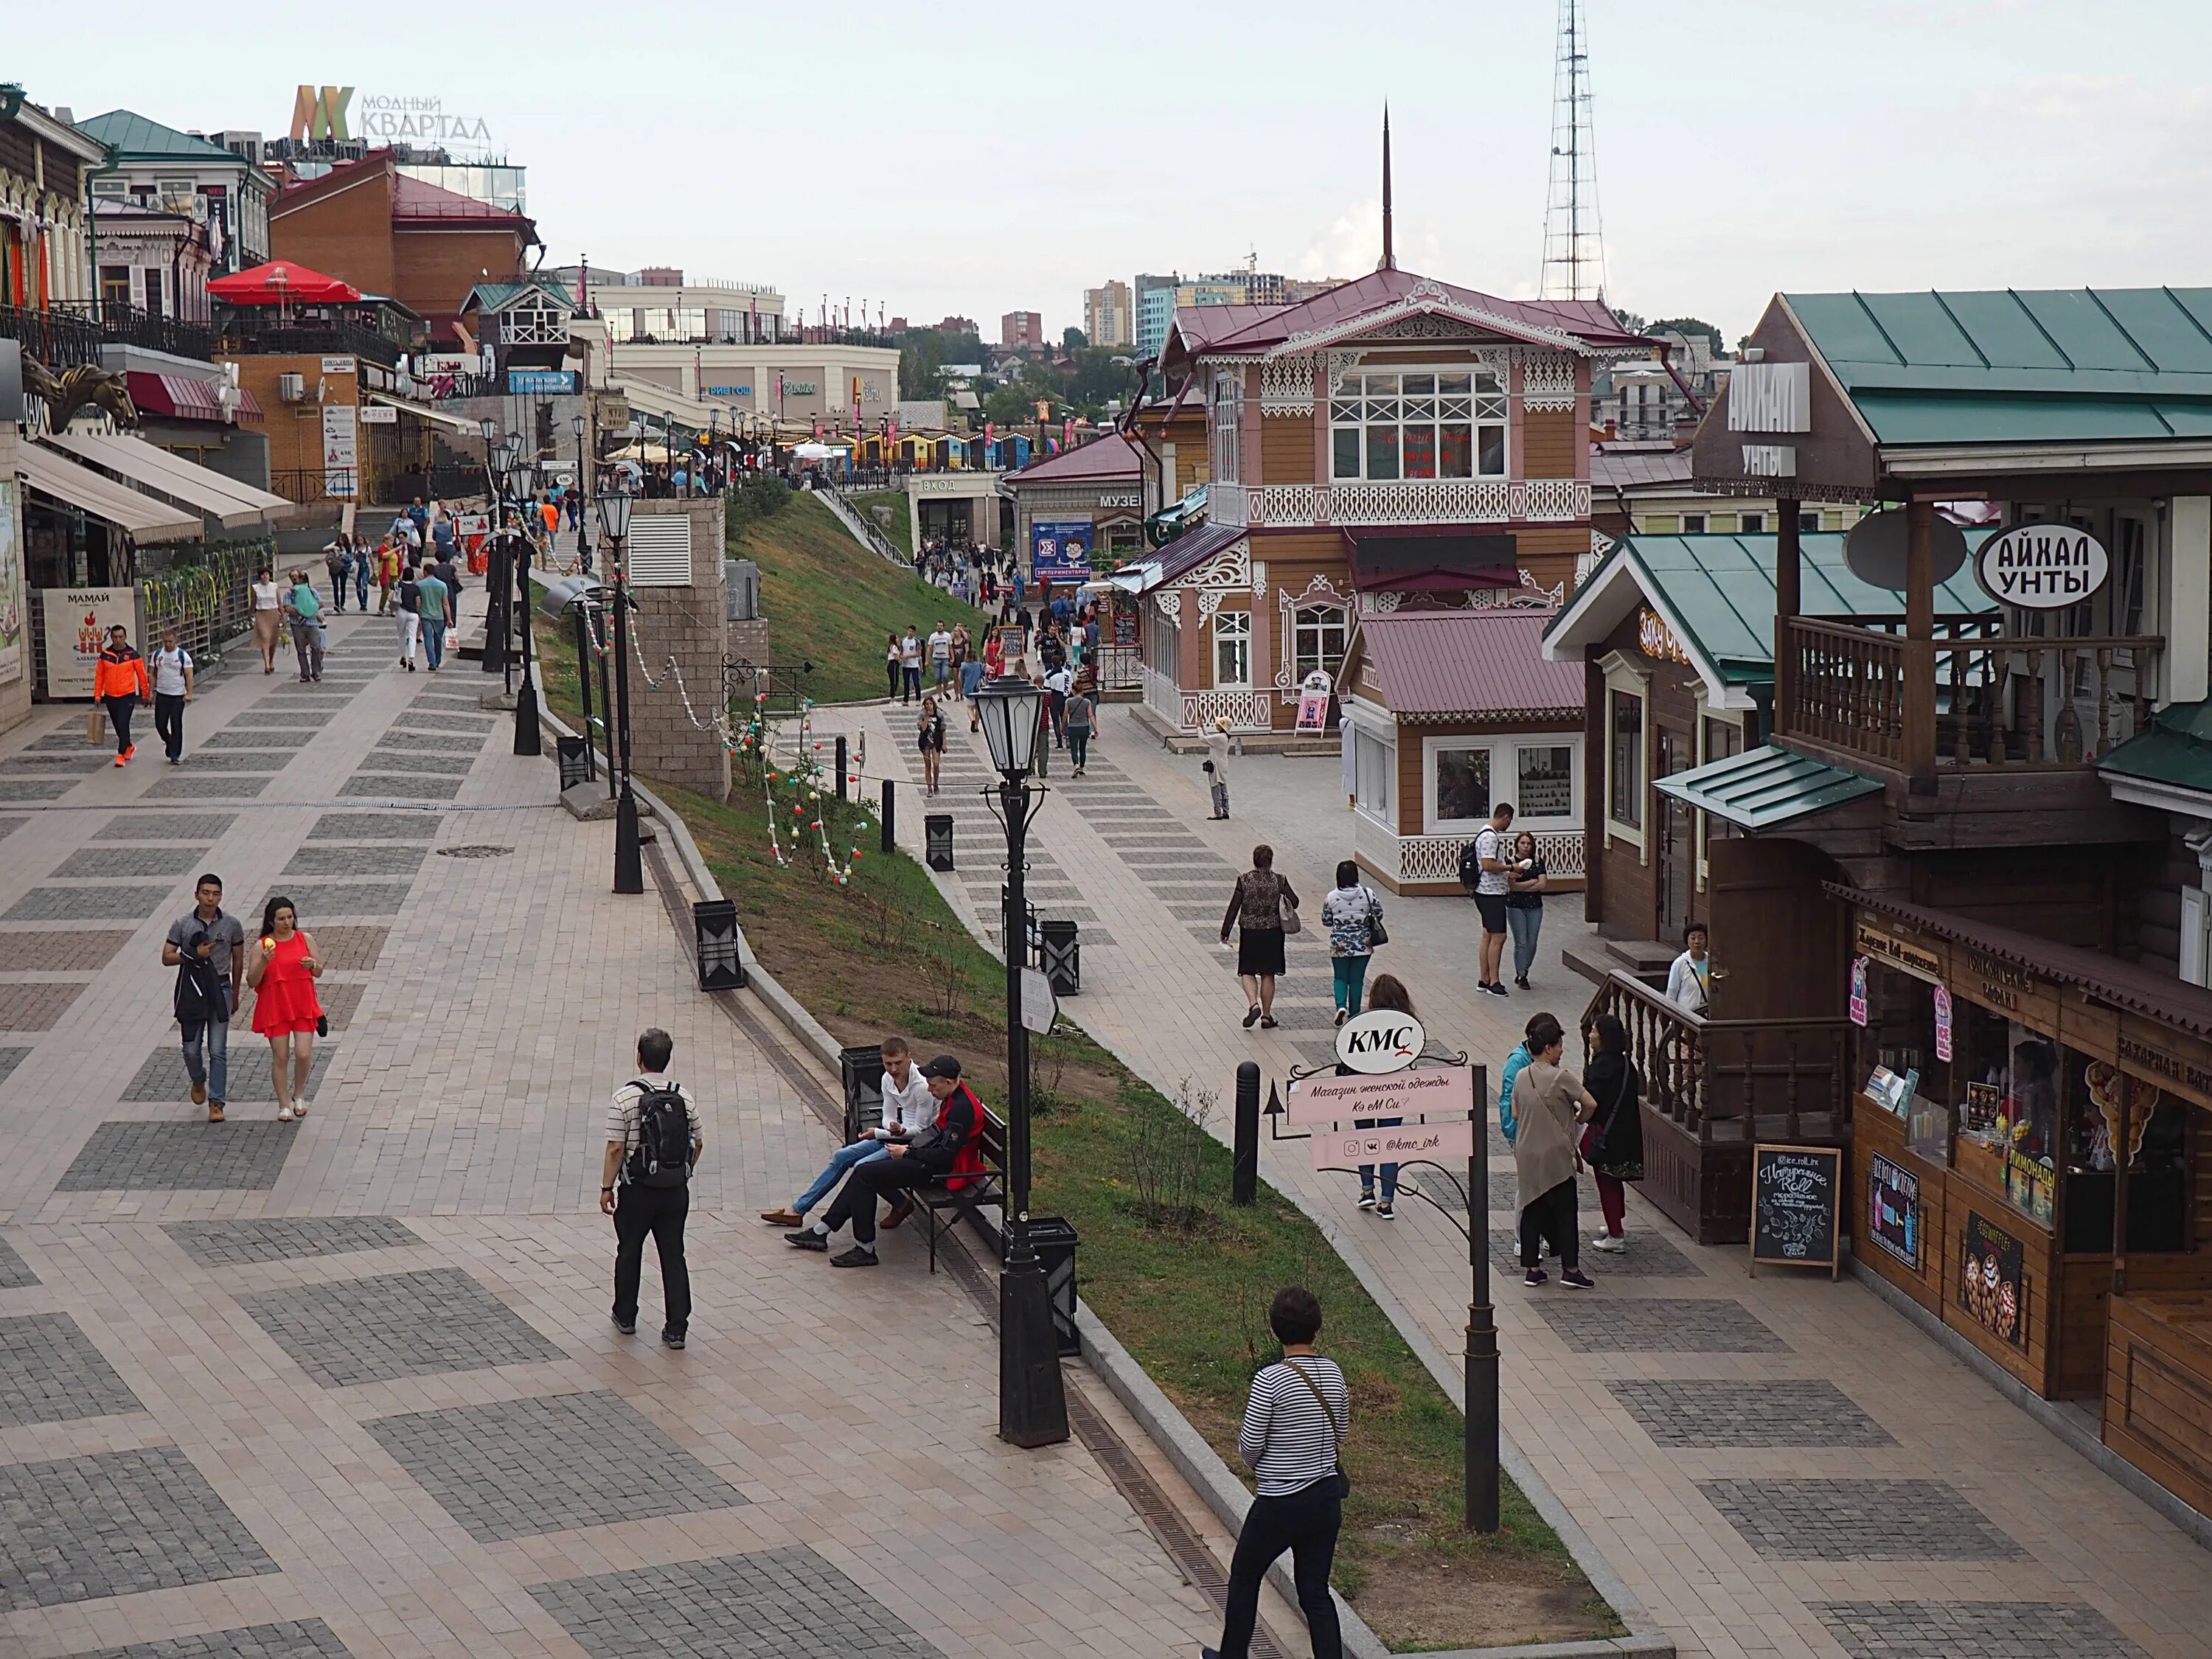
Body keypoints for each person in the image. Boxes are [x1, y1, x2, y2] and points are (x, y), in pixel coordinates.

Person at [1204, 1284, 1348, 1659]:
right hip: (1326, 1499)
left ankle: (1232, 1656)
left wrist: (1263, 1468)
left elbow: (1250, 1445)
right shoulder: (1333, 1373)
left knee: (1246, 1576)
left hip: (1280, 1503)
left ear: (1275, 1331)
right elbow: (1342, 1432)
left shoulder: (1269, 1379)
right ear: (1317, 1328)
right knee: (1315, 1591)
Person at [787, 1053, 984, 1267]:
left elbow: (946, 1156)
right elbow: (936, 1135)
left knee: (865, 1173)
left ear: (948, 1082)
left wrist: (907, 1153)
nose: (930, 1089)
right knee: (864, 1173)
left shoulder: (961, 1109)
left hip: (943, 1170)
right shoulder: (953, 1096)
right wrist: (910, 1148)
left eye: (933, 1086)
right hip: (928, 1157)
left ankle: (861, 1247)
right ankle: (824, 1231)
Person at [599, 1026, 702, 1348]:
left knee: (629, 1250)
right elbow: (699, 1142)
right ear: (667, 1060)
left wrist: (607, 1187)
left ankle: (626, 1315)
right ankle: (676, 1328)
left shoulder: (625, 1097)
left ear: (639, 1056)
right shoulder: (683, 1096)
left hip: (637, 1190)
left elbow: (616, 1148)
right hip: (674, 1192)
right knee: (674, 1254)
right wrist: (683, 1173)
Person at [759, 1037, 932, 1228]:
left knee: (862, 1168)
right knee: (841, 1156)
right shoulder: (887, 1079)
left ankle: (895, 1205)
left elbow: (920, 1131)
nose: (893, 1069)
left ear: (909, 1057)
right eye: (888, 1064)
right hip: (894, 1136)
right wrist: (891, 1126)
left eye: (898, 1063)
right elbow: (887, 1115)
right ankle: (798, 1210)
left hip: (912, 1144)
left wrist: (882, 1133)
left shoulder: (922, 1087)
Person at [1512, 1012, 1598, 1289]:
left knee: (1531, 1207)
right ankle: (1570, 1269)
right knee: (1565, 1210)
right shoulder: (1562, 1077)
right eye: (1559, 1045)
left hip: (1527, 1152)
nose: (1562, 1050)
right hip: (1556, 1154)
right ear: (1548, 1048)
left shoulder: (1521, 1075)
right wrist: (1576, 1121)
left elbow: (1515, 1113)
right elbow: (1591, 1104)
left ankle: (1532, 1269)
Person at [163, 873, 245, 1123]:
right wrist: (193, 954)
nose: (211, 898)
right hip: (192, 989)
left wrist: (236, 992)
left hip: (220, 987)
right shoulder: (183, 924)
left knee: (218, 1049)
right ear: (196, 894)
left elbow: (238, 958)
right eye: (206, 893)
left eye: (216, 894)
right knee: (190, 1048)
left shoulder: (231, 924)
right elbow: (167, 956)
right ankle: (198, 1079)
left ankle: (217, 1102)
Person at [246, 894, 324, 1124]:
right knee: (281, 1056)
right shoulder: (262, 946)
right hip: (276, 1005)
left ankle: (299, 1094)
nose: (286, 922)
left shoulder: (304, 939)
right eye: (281, 918)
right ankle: (283, 1104)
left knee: (303, 1053)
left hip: (302, 1002)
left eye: (290, 917)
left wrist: (313, 964)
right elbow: (252, 981)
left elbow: (319, 971)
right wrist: (264, 961)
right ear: (271, 921)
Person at [1582, 1012, 1645, 1253]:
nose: (1590, 1036)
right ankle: (1614, 1223)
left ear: (1604, 1037)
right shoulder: (1626, 1064)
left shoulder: (1601, 1067)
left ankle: (1616, 1236)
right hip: (1625, 1134)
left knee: (1606, 1182)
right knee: (1614, 1180)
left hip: (1605, 1137)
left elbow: (1591, 1101)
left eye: (1595, 1032)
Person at [1354, 974, 1416, 1218]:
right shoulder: (1406, 1026)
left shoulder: (1362, 1023)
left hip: (1364, 1092)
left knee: (1366, 1139)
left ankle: (1367, 1190)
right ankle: (1387, 1202)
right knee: (1389, 1145)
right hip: (1394, 1092)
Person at [1221, 844, 1296, 1030]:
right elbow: (1295, 901)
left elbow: (1234, 907)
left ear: (1254, 860)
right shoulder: (1279, 880)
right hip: (1272, 933)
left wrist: (1226, 930)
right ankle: (1266, 1016)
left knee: (1247, 970)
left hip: (1250, 931)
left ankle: (1253, 1004)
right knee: (1268, 973)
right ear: (1271, 861)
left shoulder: (1244, 880)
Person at [1321, 861, 1382, 1026]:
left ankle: (1341, 1006)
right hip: (1363, 944)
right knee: (1357, 980)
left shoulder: (1331, 897)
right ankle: (1354, 1013)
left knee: (1340, 977)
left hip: (1340, 945)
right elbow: (1379, 913)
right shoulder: (1367, 893)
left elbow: (1326, 921)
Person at [1471, 802, 1515, 996]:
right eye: (1510, 820)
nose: (1509, 824)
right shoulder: (1490, 837)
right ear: (1505, 817)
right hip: (1491, 893)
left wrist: (1507, 874)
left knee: (1488, 935)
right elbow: (1488, 865)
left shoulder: (1484, 832)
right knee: (1499, 936)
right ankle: (1494, 982)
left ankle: (1484, 978)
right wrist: (1510, 868)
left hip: (1486, 891)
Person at [93, 624, 150, 765]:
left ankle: (120, 754)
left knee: (123, 723)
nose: (117, 640)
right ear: (111, 638)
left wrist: (145, 693)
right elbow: (100, 676)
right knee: (118, 726)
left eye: (120, 637)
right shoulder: (105, 655)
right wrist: (97, 695)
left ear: (125, 637)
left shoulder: (133, 655)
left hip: (127, 695)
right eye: (115, 637)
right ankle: (129, 746)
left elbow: (142, 675)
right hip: (111, 696)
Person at [1503, 828, 1549, 990]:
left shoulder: (1537, 861)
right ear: (1517, 845)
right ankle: (1521, 974)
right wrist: (1532, 883)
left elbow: (1543, 883)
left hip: (1535, 906)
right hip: (1516, 906)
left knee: (1532, 942)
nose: (1526, 846)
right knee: (1521, 942)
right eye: (1523, 843)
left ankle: (1526, 967)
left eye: (1529, 843)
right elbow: (1512, 887)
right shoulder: (1511, 863)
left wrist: (1523, 886)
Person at [147, 622, 194, 765]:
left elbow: (189, 675)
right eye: (165, 642)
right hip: (162, 694)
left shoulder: (182, 656)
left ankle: (175, 754)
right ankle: (169, 742)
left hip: (178, 695)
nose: (168, 644)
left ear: (176, 642)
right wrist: (150, 691)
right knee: (160, 724)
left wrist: (189, 693)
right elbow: (152, 674)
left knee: (176, 724)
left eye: (170, 642)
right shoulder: (157, 655)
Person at [285, 570, 324, 683]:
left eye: (296, 576)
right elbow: (287, 608)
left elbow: (321, 604)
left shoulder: (311, 591)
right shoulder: (290, 593)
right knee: (301, 649)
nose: (294, 578)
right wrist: (303, 612)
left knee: (316, 647)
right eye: (292, 576)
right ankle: (305, 674)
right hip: (297, 624)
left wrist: (308, 609)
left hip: (312, 623)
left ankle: (316, 671)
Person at [1667, 922, 1711, 1014]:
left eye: (1701, 938)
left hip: (1707, 1016)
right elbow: (1672, 992)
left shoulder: (1711, 962)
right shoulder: (1680, 963)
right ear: (1687, 940)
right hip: (1686, 1017)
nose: (1697, 942)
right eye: (1692, 938)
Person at [417, 562, 451, 672]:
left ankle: (431, 662)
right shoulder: (442, 585)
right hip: (439, 616)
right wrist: (449, 618)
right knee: (438, 639)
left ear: (425, 572)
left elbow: (418, 603)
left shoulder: (420, 585)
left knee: (428, 639)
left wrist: (419, 614)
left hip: (425, 615)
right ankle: (438, 660)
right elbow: (445, 603)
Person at [251, 566, 283, 673]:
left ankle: (271, 660)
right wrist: (250, 613)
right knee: (265, 637)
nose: (265, 576)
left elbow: (279, 602)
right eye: (262, 574)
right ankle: (266, 664)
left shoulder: (274, 586)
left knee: (273, 640)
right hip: (261, 614)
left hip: (273, 613)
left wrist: (282, 616)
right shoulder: (255, 588)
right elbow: (253, 602)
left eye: (267, 574)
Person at [1063, 676, 1095, 775]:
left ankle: (1076, 765)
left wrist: (1063, 726)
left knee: (1074, 748)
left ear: (1073, 690)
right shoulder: (1087, 702)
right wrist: (1096, 727)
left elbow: (1065, 715)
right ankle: (1081, 768)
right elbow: (1091, 715)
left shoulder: (1068, 702)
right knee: (1082, 748)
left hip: (1073, 727)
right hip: (1084, 727)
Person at [394, 563, 422, 671]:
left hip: (401, 611)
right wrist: (418, 613)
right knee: (412, 637)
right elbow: (418, 603)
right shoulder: (416, 588)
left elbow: (393, 596)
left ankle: (402, 657)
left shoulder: (398, 585)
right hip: (413, 614)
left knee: (401, 635)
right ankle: (411, 660)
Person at [1205, 716, 1233, 820]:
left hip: (1216, 765)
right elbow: (1210, 739)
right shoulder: (1226, 737)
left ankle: (1218, 812)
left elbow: (1203, 739)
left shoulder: (1220, 737)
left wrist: (1198, 728)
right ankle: (1226, 811)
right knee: (1223, 787)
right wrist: (1203, 728)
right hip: (1223, 764)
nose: (1216, 725)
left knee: (1215, 787)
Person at [917, 693, 945, 795]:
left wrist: (944, 744)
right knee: (928, 765)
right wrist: (927, 717)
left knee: (936, 764)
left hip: (936, 741)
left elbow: (943, 729)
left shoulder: (939, 714)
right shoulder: (922, 715)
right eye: (927, 704)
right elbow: (923, 729)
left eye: (930, 704)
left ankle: (936, 783)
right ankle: (929, 788)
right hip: (926, 742)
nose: (929, 706)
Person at [324, 538, 351, 613]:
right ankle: (336, 604)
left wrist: (344, 557)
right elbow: (324, 549)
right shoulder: (334, 545)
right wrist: (333, 548)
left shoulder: (347, 547)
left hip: (343, 568)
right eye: (340, 540)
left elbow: (350, 558)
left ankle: (342, 605)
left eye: (343, 540)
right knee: (335, 587)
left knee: (343, 587)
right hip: (335, 568)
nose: (341, 542)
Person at [375, 538, 402, 615]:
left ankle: (393, 609)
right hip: (386, 573)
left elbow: (399, 560)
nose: (392, 542)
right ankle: (381, 608)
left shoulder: (393, 550)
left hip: (394, 573)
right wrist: (395, 549)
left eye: (393, 541)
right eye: (390, 541)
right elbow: (384, 556)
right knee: (386, 591)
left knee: (395, 592)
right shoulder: (382, 548)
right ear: (386, 541)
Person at [928, 619, 953, 693]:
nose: (939, 627)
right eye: (938, 626)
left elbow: (950, 648)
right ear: (936, 627)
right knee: (937, 678)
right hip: (936, 658)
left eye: (941, 626)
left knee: (945, 676)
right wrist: (927, 660)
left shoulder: (947, 636)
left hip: (945, 658)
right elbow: (929, 648)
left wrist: (952, 658)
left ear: (943, 627)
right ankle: (939, 696)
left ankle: (945, 690)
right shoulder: (933, 636)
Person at [900, 625, 922, 704]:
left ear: (914, 633)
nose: (911, 633)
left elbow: (919, 653)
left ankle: (918, 699)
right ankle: (906, 700)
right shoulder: (903, 641)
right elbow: (901, 652)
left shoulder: (916, 641)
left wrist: (909, 656)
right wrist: (902, 657)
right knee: (906, 682)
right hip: (905, 665)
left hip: (914, 665)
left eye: (912, 632)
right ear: (907, 631)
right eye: (909, 631)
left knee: (916, 682)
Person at [884, 633, 902, 700]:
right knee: (894, 682)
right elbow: (896, 657)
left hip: (895, 665)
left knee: (896, 681)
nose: (898, 639)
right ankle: (892, 699)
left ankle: (893, 697)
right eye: (897, 638)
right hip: (893, 664)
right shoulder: (894, 647)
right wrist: (900, 659)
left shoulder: (894, 646)